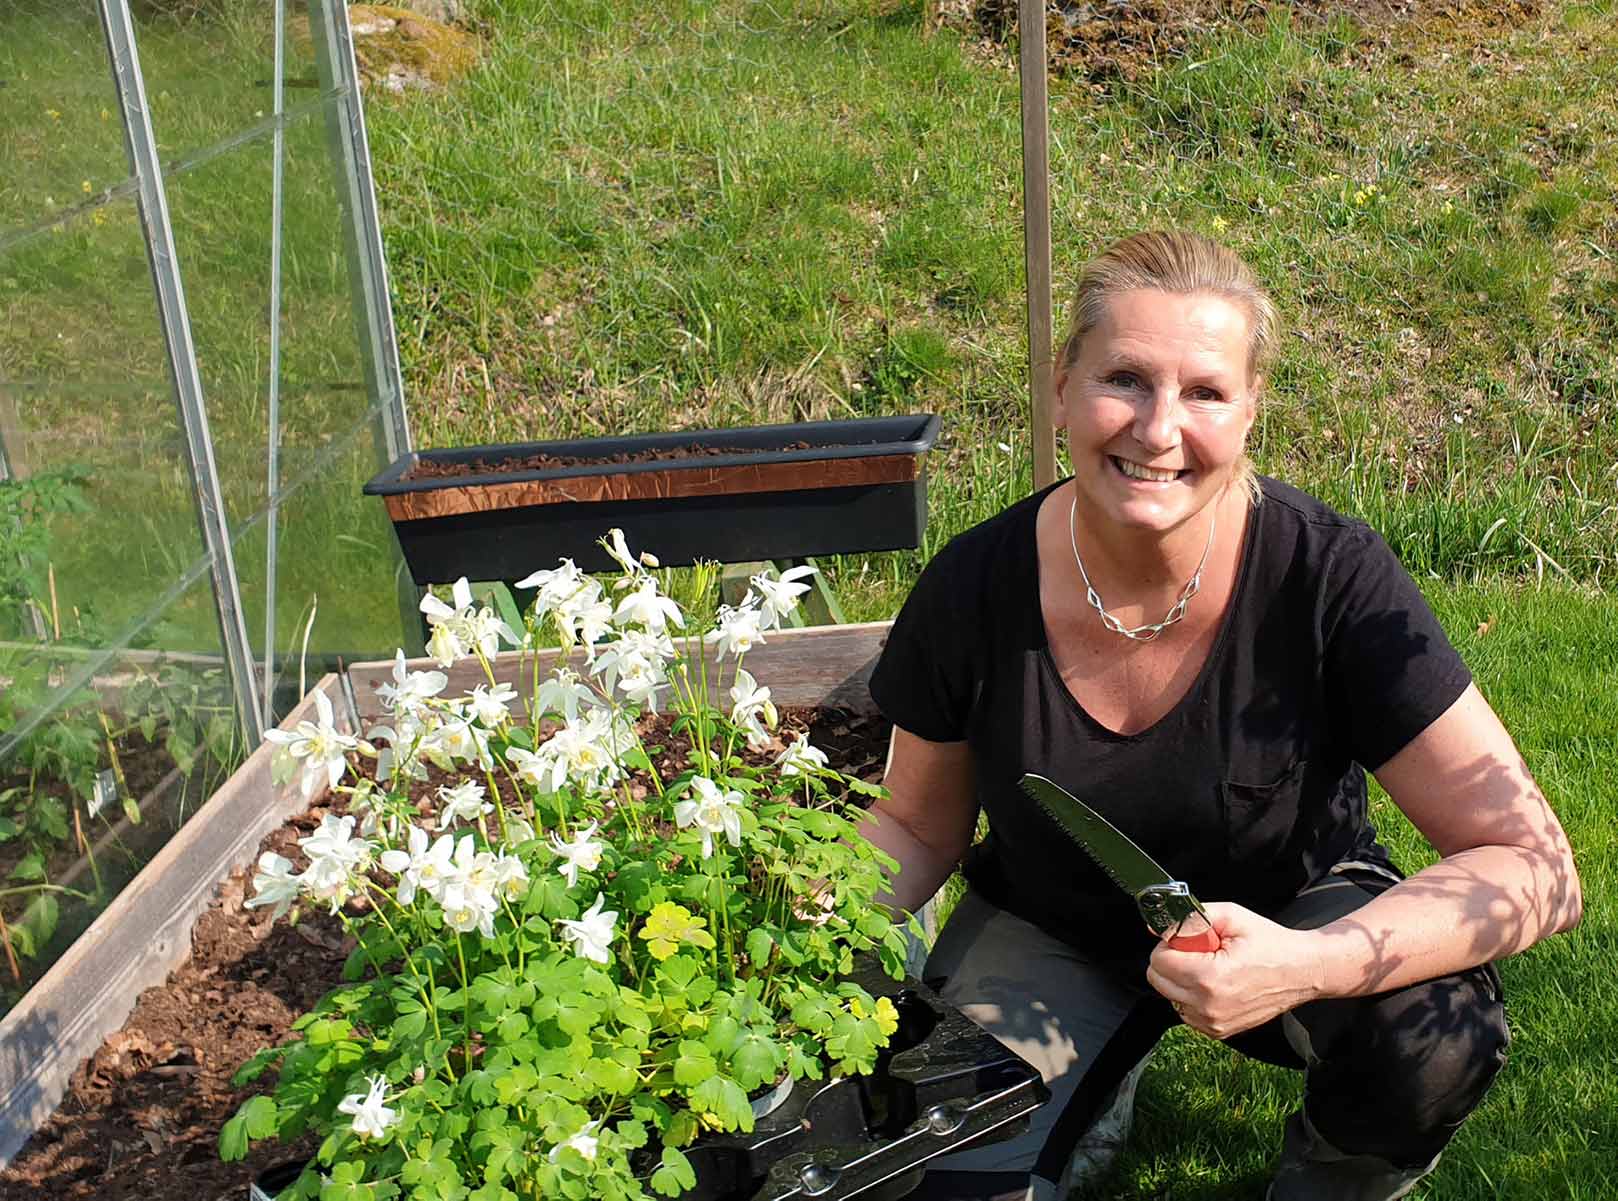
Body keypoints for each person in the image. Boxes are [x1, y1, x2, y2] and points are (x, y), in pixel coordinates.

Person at [860, 231, 1582, 1201]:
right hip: (1050, 924)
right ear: (1062, 387)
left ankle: (1328, 1179)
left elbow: (1535, 867)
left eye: (1203, 391)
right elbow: (912, 822)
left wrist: (1307, 962)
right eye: (1124, 378)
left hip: (1290, 910)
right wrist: (788, 933)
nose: (1159, 430)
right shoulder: (973, 586)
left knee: (1427, 1038)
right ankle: (1081, 1076)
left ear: (1249, 410)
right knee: (923, 1178)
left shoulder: (1328, 576)